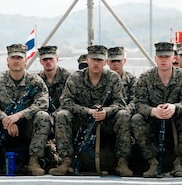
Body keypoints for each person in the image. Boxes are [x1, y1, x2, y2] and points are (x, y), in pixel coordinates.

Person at [49, 44, 133, 176]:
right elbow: (65, 102)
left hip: (106, 122)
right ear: (87, 59)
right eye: (93, 59)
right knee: (62, 115)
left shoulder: (113, 78)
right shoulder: (75, 78)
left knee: (124, 115)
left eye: (99, 60)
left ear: (105, 62)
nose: (96, 63)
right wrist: (87, 111)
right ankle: (66, 160)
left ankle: (122, 162)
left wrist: (106, 111)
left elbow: (120, 103)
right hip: (82, 121)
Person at [0, 44, 52, 176]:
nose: (16, 61)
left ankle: (34, 161)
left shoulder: (35, 81)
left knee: (43, 116)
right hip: (2, 127)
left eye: (19, 57)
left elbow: (43, 102)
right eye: (13, 58)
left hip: (26, 126)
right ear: (7, 61)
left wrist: (19, 115)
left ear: (25, 60)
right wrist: (5, 119)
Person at [130, 41, 182, 177]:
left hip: (176, 121)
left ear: (173, 58)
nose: (163, 60)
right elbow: (138, 104)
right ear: (155, 58)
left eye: (167, 57)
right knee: (136, 119)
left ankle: (179, 162)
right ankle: (153, 163)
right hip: (154, 122)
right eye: (160, 57)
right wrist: (153, 111)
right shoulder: (145, 78)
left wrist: (175, 107)